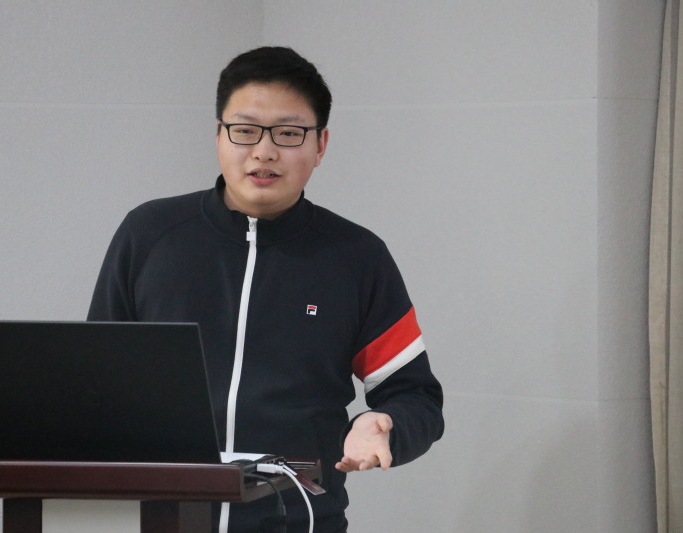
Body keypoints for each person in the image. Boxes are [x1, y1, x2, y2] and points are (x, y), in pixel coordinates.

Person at [88, 46, 444, 533]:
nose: (264, 151)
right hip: (156, 516)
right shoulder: (150, 235)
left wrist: (385, 426)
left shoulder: (356, 257)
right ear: (218, 136)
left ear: (320, 145)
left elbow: (416, 396)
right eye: (245, 130)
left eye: (289, 133)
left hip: (297, 521)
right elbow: (96, 379)